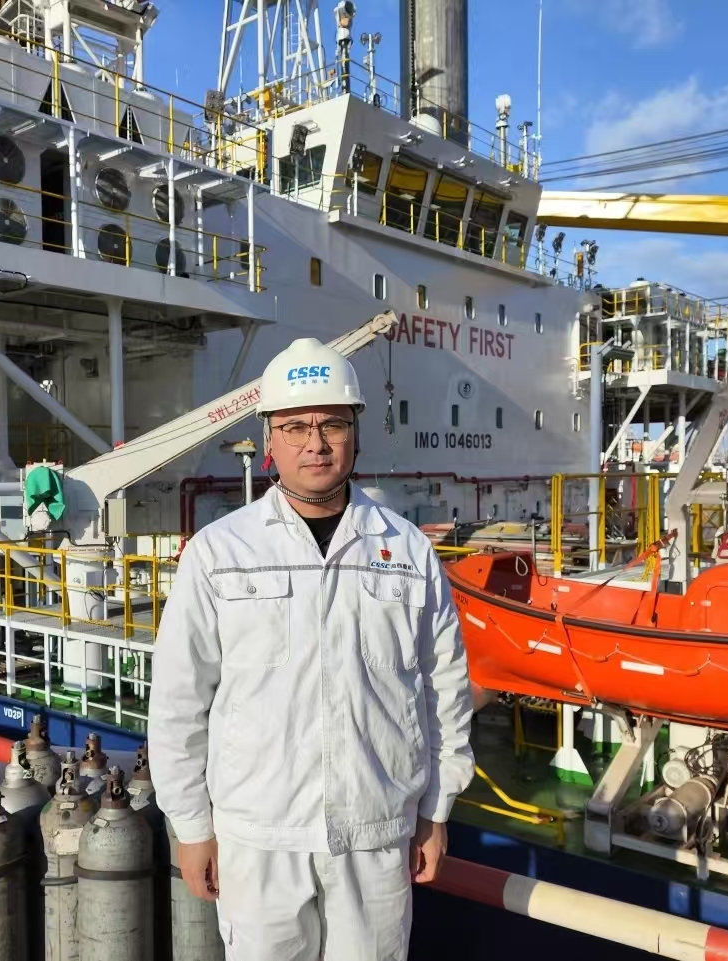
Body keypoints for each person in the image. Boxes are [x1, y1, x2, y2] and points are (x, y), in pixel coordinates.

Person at [148, 336, 474, 960]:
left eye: (332, 424)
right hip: (258, 838)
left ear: (356, 433)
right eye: (296, 427)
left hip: (377, 833)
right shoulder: (221, 553)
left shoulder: (407, 551)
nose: (315, 443)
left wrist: (435, 811)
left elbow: (444, 689)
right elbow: (179, 701)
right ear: (269, 440)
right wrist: (191, 827)